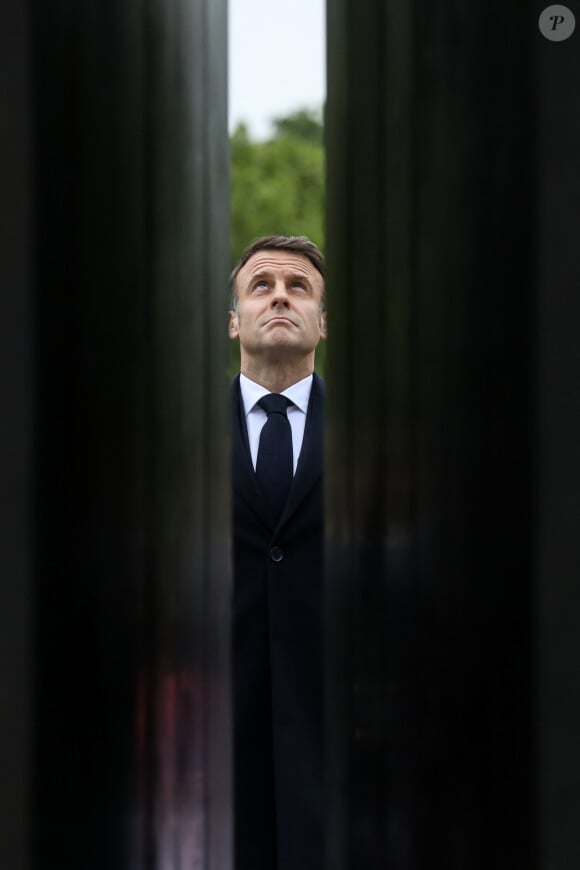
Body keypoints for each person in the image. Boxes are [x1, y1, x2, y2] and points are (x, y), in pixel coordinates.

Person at [229, 235, 327, 870]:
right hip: (210, 749)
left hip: (333, 748)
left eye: (300, 288)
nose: (281, 297)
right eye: (261, 286)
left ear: (324, 322)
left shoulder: (382, 437)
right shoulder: (172, 440)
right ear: (233, 321)